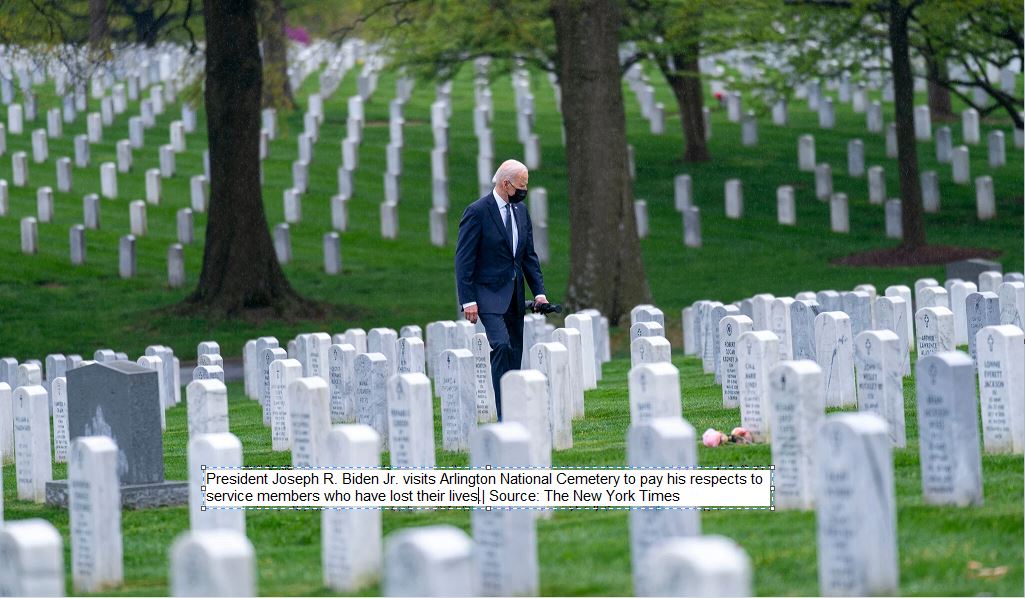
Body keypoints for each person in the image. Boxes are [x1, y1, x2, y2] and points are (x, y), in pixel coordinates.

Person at [454, 159, 547, 420]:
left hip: (515, 295)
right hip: (487, 295)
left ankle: (514, 409)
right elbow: (464, 259)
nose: (524, 190)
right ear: (505, 184)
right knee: (501, 346)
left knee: (515, 353)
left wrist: (539, 292)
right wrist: (468, 300)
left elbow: (528, 255)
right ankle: (505, 415)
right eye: (521, 185)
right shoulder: (477, 212)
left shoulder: (520, 211)